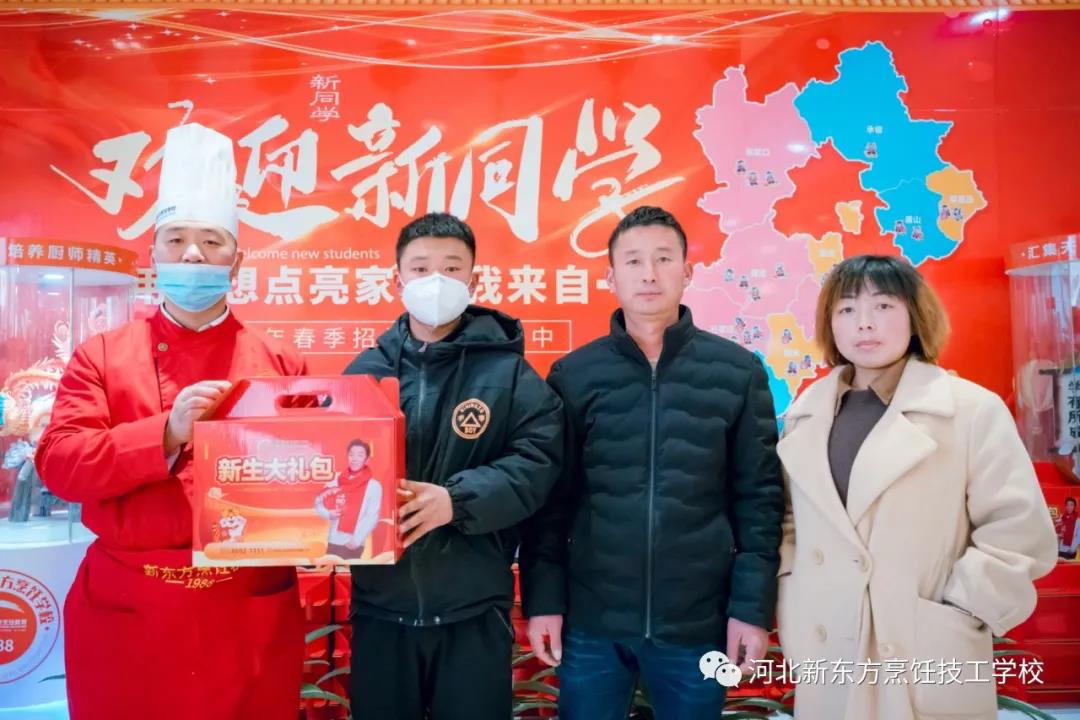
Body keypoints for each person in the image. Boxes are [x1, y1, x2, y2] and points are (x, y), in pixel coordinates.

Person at [36, 123, 307, 720]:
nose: (193, 254)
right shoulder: (102, 355)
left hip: (246, 607)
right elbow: (60, 464)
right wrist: (167, 432)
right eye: (176, 239)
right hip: (130, 608)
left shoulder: (280, 362)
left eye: (211, 241)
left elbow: (307, 476)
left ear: (237, 259)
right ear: (154, 255)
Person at [520, 205, 784, 720]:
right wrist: (543, 601)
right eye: (634, 260)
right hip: (592, 622)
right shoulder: (574, 375)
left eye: (663, 259)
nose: (649, 274)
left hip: (699, 623)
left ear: (688, 271)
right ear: (610, 276)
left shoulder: (737, 372)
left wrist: (750, 609)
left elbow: (760, 499)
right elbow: (550, 503)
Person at [775, 254, 1058, 720]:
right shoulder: (804, 416)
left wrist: (963, 607)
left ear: (915, 316)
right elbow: (789, 520)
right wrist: (793, 593)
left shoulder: (970, 410)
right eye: (846, 309)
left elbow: (1017, 531)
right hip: (829, 642)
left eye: (883, 306)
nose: (864, 323)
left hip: (923, 644)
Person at [343, 212, 563, 720]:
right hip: (381, 609)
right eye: (420, 268)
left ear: (473, 280)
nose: (435, 281)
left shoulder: (509, 374)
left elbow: (539, 461)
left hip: (474, 610)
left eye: (451, 267)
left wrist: (456, 501)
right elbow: (337, 464)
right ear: (397, 280)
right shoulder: (365, 373)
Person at [314, 438, 384, 560]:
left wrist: (356, 540)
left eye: (360, 455)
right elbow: (318, 502)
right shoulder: (336, 480)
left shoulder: (373, 486)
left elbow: (372, 516)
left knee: (349, 571)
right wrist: (328, 513)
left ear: (367, 459)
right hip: (334, 539)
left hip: (353, 543)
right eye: (351, 455)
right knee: (331, 567)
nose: (354, 458)